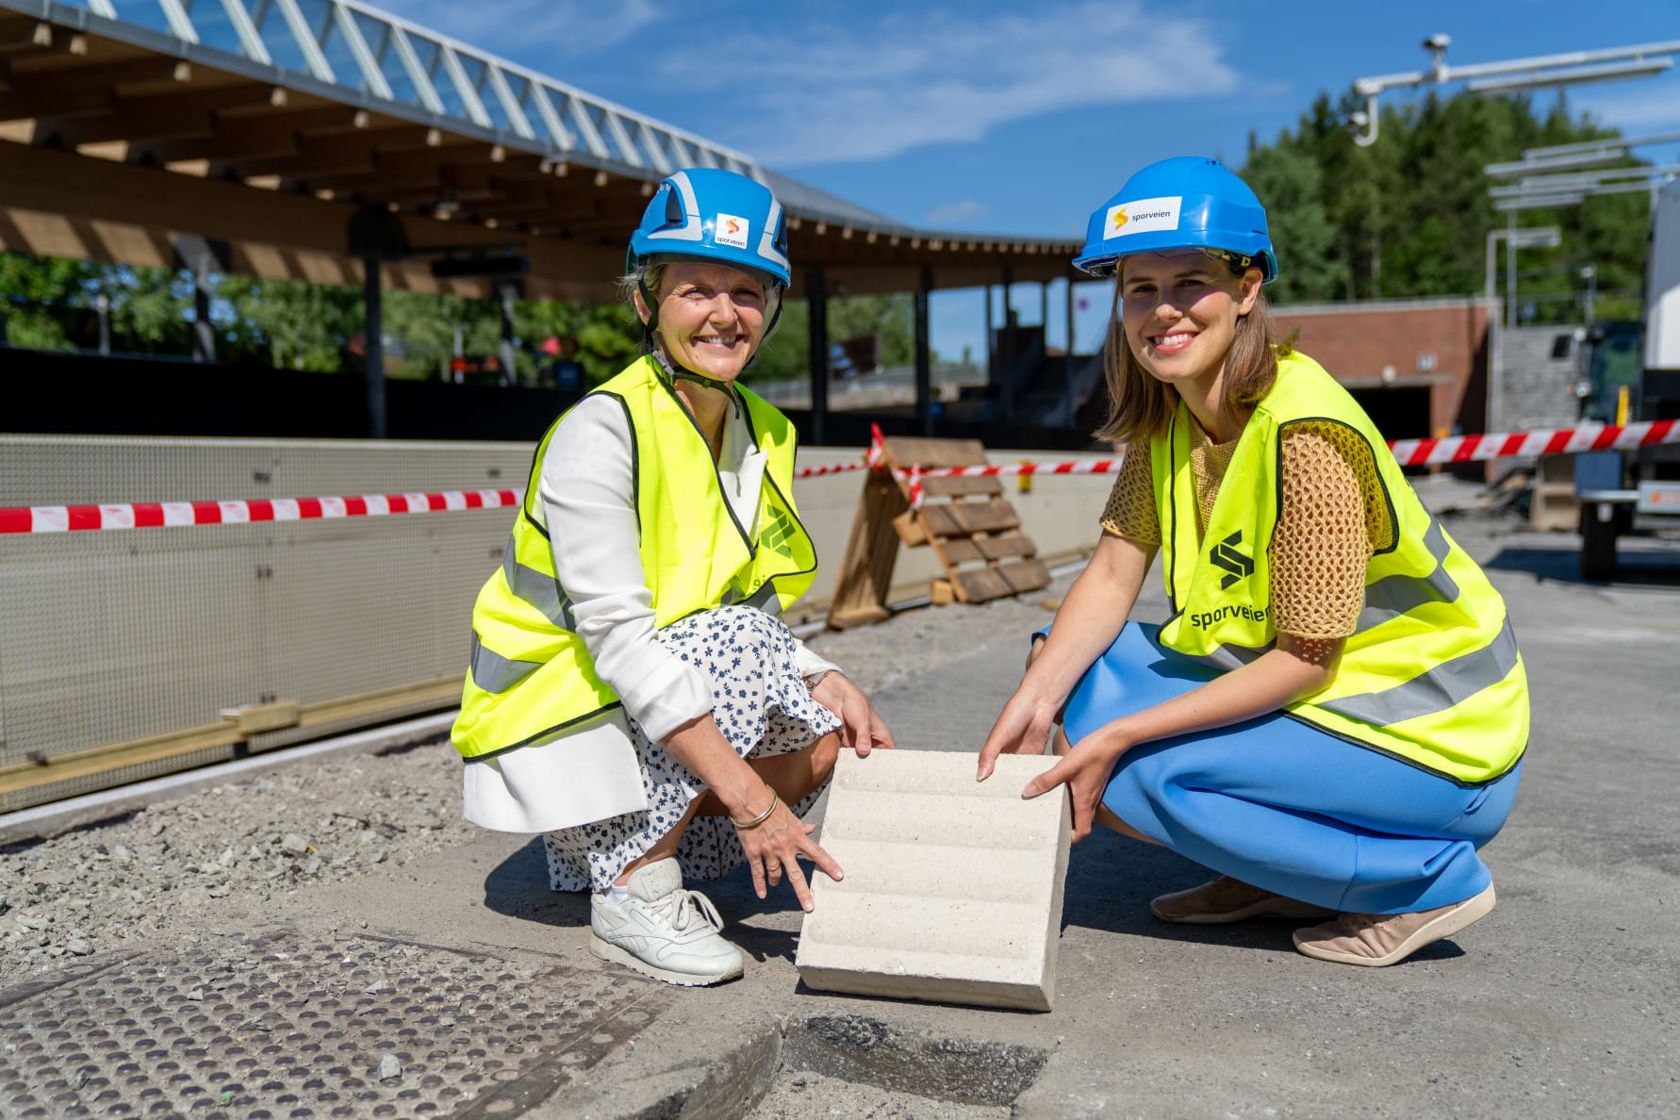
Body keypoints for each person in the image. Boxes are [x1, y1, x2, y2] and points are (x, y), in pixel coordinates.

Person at [978, 157, 1527, 968]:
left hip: (1437, 741)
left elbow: (1306, 661)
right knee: (1061, 675)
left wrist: (1119, 733)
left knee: (1129, 768)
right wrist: (1032, 700)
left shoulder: (1305, 435)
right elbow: (1112, 570)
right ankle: (1278, 873)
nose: (1161, 309)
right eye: (1139, 287)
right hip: (1340, 709)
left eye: (1189, 281)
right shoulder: (1169, 420)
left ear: (1248, 289)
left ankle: (1424, 880)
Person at [452, 167, 894, 987]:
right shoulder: (603, 427)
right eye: (696, 289)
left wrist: (823, 673)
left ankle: (652, 851)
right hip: (553, 717)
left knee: (826, 733)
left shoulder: (759, 431)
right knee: (740, 649)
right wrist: (756, 804)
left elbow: (736, 599)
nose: (725, 314)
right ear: (646, 300)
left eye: (747, 292)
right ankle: (630, 885)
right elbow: (625, 640)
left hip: (632, 719)